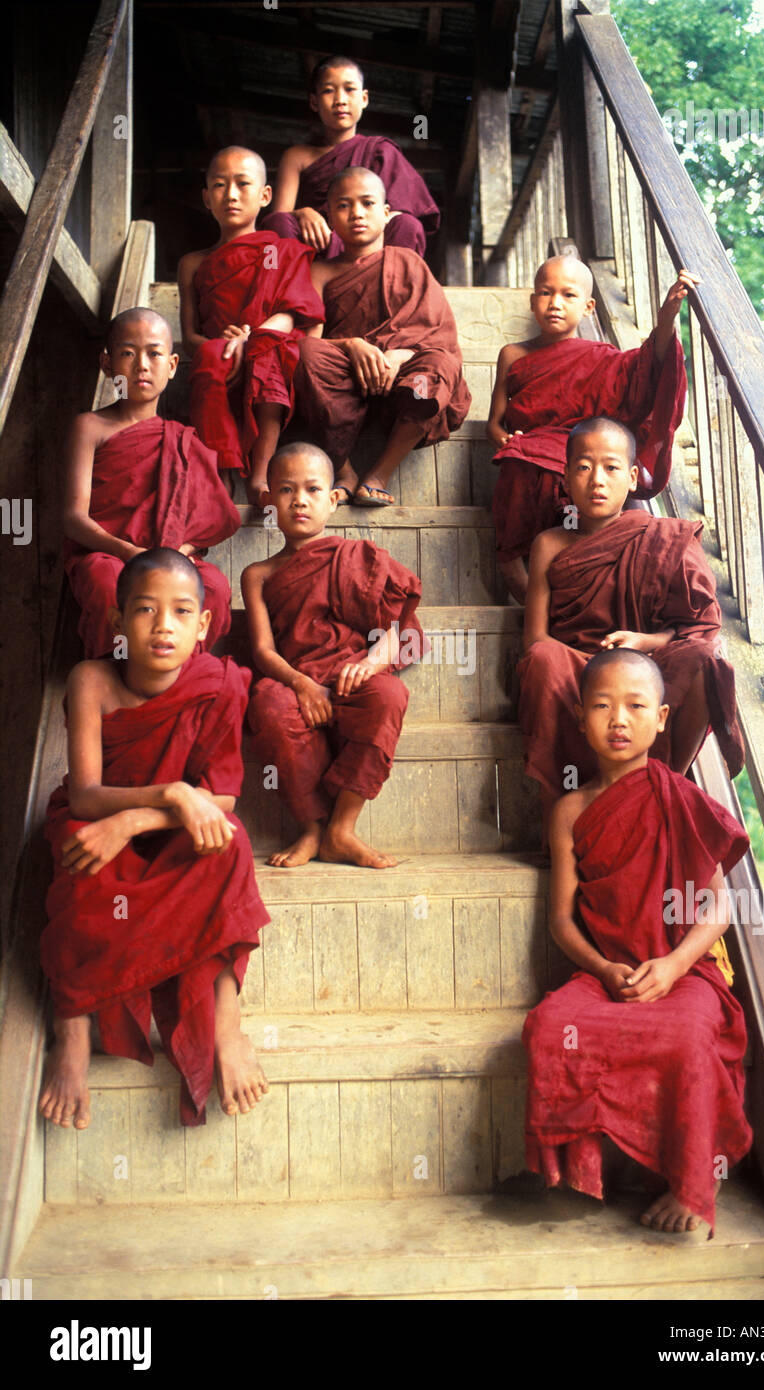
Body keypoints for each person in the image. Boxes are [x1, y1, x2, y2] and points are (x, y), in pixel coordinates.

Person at [522, 646, 753, 1233]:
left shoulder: (681, 797)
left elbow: (719, 905)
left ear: (662, 718)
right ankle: (585, 1165)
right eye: (601, 706)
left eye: (635, 706)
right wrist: (602, 970)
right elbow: (561, 922)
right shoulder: (571, 810)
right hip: (608, 975)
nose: (618, 720)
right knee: (552, 1027)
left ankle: (690, 1184)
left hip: (684, 973)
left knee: (686, 1036)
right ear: (580, 719)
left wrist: (675, 966)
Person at [38, 548, 270, 1130]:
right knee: (82, 865)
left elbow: (220, 798)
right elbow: (87, 794)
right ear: (118, 622)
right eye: (144, 610)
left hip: (163, 829)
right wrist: (169, 794)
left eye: (180, 612)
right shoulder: (91, 679)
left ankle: (225, 1020)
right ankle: (71, 1026)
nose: (163, 626)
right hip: (98, 819)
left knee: (231, 842)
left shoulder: (218, 683)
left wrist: (142, 818)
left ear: (204, 626)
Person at [517, 416, 744, 829]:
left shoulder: (666, 538)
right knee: (542, 658)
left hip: (647, 669)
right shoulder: (549, 544)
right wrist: (598, 669)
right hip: (578, 669)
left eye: (611, 467)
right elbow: (535, 638)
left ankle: (664, 786)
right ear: (567, 477)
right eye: (583, 468)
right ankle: (557, 810)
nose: (597, 480)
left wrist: (645, 642)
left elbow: (699, 627)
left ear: (634, 476)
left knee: (706, 657)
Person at [243, 441, 425, 868]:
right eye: (286, 491)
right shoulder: (258, 574)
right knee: (268, 705)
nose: (300, 501)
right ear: (268, 500)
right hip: (296, 678)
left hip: (351, 675)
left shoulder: (356, 557)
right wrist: (302, 685)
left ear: (333, 499)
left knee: (390, 697)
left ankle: (342, 829)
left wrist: (370, 662)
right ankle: (311, 828)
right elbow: (262, 649)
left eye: (312, 490)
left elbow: (397, 629)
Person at [486, 254, 691, 602]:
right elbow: (494, 422)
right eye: (546, 293)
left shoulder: (603, 358)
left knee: (584, 469)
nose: (555, 303)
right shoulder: (512, 355)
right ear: (533, 301)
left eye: (568, 295)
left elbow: (646, 368)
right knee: (521, 458)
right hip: (529, 446)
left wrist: (667, 317)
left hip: (576, 446)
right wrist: (505, 439)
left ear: (589, 307)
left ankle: (575, 555)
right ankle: (511, 560)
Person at [63, 308, 239, 658]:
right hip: (110, 554)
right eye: (127, 353)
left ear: (172, 365)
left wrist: (179, 555)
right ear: (106, 364)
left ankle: (177, 682)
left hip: (172, 557)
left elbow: (214, 518)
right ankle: (118, 677)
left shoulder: (182, 439)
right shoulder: (89, 427)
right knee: (107, 586)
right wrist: (129, 553)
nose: (141, 364)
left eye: (154, 353)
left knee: (214, 587)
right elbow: (73, 518)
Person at [292, 167, 470, 507]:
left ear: (387, 214)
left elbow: (437, 334)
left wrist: (398, 357)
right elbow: (307, 338)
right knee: (304, 355)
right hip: (343, 382)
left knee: (439, 366)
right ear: (329, 215)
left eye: (367, 203)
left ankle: (379, 473)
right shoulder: (319, 271)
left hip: (403, 386)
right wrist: (353, 346)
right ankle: (343, 470)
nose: (357, 213)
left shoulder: (408, 263)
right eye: (343, 205)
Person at [177, 146, 324, 502]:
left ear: (265, 195)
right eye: (218, 185)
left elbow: (296, 310)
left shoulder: (281, 250)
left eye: (243, 184)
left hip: (269, 343)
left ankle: (260, 474)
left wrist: (250, 338)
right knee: (211, 356)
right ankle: (222, 470)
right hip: (219, 351)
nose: (230, 195)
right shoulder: (193, 263)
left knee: (269, 356)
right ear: (206, 197)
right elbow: (189, 336)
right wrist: (228, 346)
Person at [264, 55, 439, 259]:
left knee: (407, 224)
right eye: (329, 90)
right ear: (314, 101)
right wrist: (301, 213)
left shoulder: (380, 151)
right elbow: (280, 216)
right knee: (277, 223)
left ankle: (389, 279)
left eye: (349, 89)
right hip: (320, 244)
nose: (340, 100)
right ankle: (295, 284)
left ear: (364, 99)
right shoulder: (296, 157)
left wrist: (363, 224)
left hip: (370, 247)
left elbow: (398, 214)